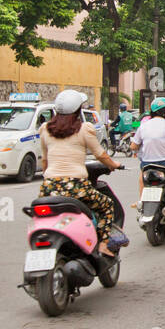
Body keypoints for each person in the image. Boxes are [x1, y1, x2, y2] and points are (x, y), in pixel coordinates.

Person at [38, 89, 128, 257]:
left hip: (49, 188)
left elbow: (45, 161)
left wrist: (48, 179)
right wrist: (113, 164)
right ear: (78, 110)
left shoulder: (45, 129)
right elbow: (100, 154)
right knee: (107, 206)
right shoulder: (84, 129)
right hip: (77, 187)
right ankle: (103, 245)